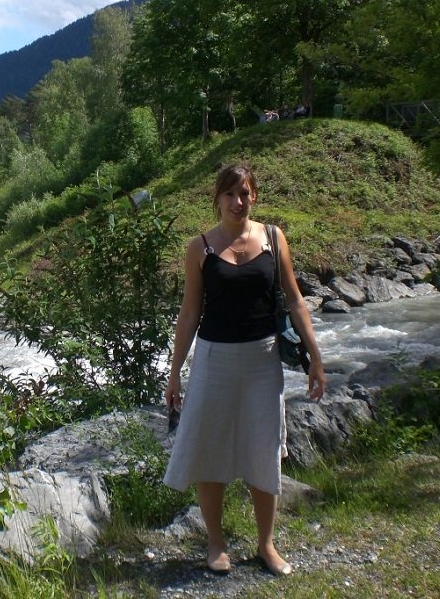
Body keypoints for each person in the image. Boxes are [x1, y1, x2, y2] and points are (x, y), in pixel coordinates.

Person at [162, 163, 326, 577]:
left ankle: (266, 545)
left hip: (262, 360)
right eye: (230, 194)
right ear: (217, 199)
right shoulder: (200, 248)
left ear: (254, 196)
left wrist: (315, 358)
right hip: (213, 360)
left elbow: (295, 300)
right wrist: (175, 372)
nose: (238, 201)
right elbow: (189, 314)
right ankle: (216, 543)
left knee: (263, 447)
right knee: (209, 448)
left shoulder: (273, 238)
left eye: (245, 193)